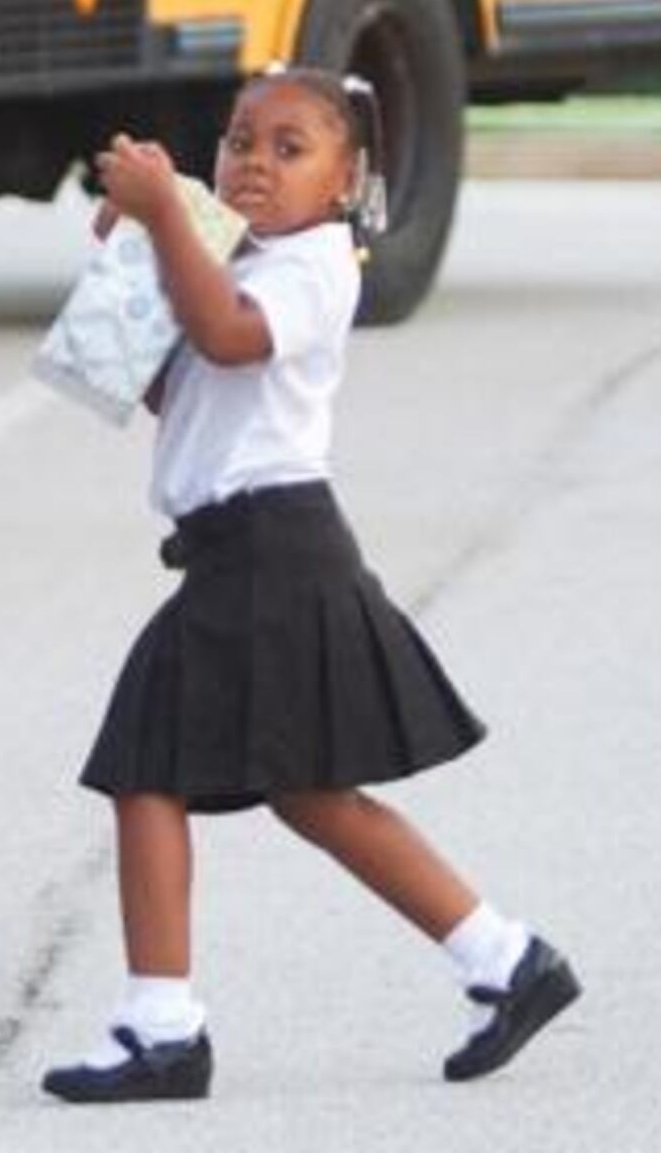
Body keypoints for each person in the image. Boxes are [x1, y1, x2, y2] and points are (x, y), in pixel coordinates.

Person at [45, 69, 578, 1103]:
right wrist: (133, 253)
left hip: (271, 552)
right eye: (241, 140)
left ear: (347, 182)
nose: (255, 162)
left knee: (145, 767)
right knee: (310, 793)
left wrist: (165, 224)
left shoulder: (316, 266)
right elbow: (171, 385)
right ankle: (506, 961)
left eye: (292, 149)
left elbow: (231, 335)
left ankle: (164, 1027)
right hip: (246, 549)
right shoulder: (235, 255)